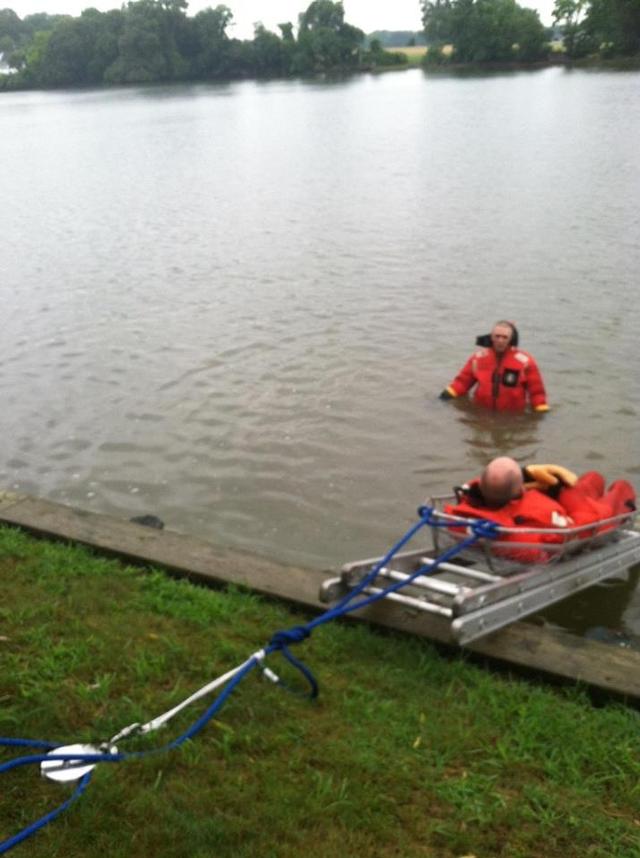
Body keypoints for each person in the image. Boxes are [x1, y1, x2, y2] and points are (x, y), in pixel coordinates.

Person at [444, 458, 636, 562]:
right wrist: (563, 491)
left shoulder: (462, 512)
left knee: (593, 478)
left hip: (555, 507)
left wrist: (527, 474)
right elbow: (581, 527)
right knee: (620, 487)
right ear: (520, 490)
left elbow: (486, 483)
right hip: (582, 512)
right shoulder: (528, 531)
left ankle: (582, 485)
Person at [439, 321, 549, 413]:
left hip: (512, 417)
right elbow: (462, 382)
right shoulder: (478, 358)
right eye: (497, 336)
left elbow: (537, 392)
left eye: (505, 337)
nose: (500, 340)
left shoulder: (525, 362)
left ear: (511, 339)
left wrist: (542, 412)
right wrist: (445, 396)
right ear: (491, 337)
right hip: (480, 415)